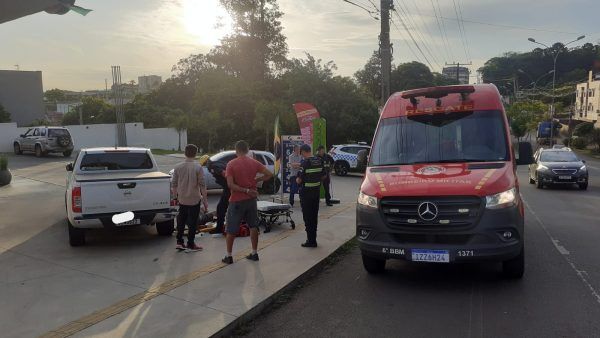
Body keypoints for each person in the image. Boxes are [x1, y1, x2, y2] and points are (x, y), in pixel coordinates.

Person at [222, 140, 273, 264]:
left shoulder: (231, 164)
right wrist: (256, 180)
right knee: (253, 226)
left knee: (231, 229)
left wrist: (245, 190)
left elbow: (230, 185)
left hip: (236, 200)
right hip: (251, 201)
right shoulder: (254, 163)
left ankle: (229, 256)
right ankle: (254, 253)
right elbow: (270, 174)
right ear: (247, 149)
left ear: (236, 150)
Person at [171, 144, 208, 252]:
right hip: (194, 199)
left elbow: (174, 184)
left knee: (181, 221)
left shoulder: (177, 167)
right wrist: (205, 202)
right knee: (192, 222)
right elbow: (202, 185)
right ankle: (190, 243)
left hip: (182, 199)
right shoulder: (198, 167)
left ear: (185, 153)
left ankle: (179, 242)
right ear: (196, 154)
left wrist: (175, 197)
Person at [296, 144, 325, 247]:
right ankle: (314, 239)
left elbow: (299, 180)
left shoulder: (305, 163)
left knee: (308, 218)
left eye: (301, 153)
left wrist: (298, 180)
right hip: (316, 193)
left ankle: (311, 241)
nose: (301, 155)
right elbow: (324, 176)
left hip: (306, 195)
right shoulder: (319, 160)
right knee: (314, 217)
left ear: (303, 151)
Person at [207, 159, 229, 238]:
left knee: (221, 208)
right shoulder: (219, 163)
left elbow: (225, 174)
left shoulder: (213, 166)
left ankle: (219, 228)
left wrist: (231, 184)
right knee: (224, 208)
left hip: (229, 188)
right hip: (229, 188)